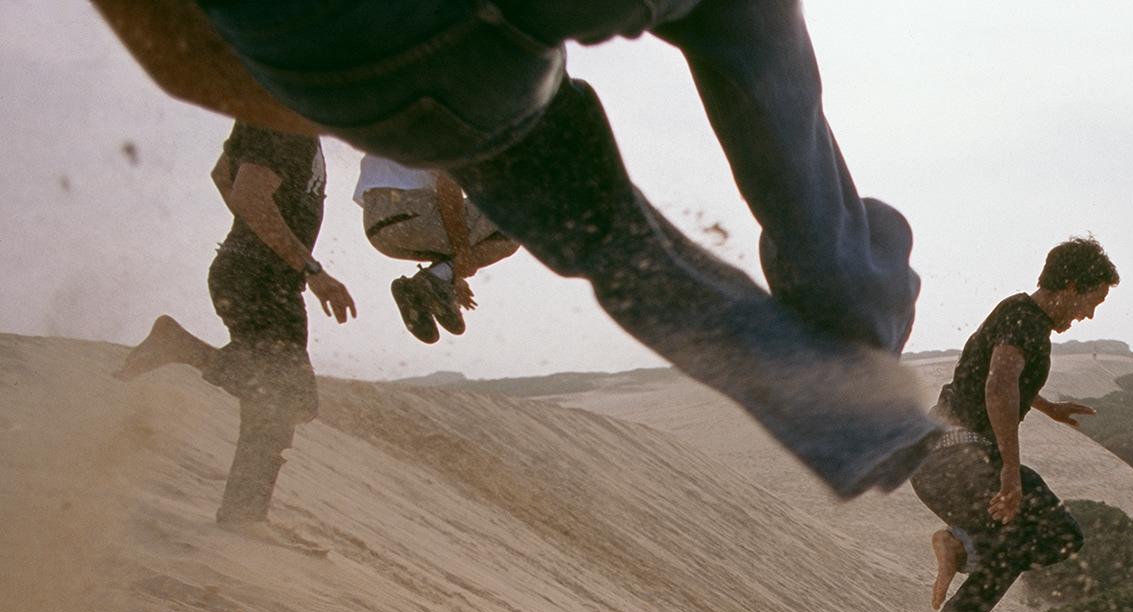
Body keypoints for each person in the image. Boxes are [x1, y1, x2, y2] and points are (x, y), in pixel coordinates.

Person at [92, 0, 938, 498]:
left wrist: (368, 101)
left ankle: (866, 424)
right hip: (327, 199)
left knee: (606, 240)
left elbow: (177, 63)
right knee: (744, 23)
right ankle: (851, 293)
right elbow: (241, 186)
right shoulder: (276, 166)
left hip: (335, 58)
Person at [116, 121, 355, 528]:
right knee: (290, 401)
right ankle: (180, 346)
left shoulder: (274, 117)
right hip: (262, 276)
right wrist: (312, 269)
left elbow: (222, 175)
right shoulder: (284, 121)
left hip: (259, 273)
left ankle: (243, 516)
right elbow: (246, 193)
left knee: (272, 405)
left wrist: (254, 227)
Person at [915, 237, 1119, 612]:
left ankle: (959, 560)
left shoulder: (1022, 317)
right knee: (1059, 534)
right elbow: (997, 386)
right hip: (958, 458)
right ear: (1069, 286)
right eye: (1091, 301)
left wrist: (1046, 406)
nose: (1088, 315)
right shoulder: (1024, 320)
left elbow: (999, 376)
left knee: (1030, 540)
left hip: (938, 462)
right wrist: (1008, 470)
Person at [355, 154, 520, 344]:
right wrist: (462, 254)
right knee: (516, 222)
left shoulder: (396, 127)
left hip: (378, 232)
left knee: (479, 231)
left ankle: (431, 283)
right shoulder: (449, 127)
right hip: (411, 214)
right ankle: (437, 277)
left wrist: (457, 274)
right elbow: (448, 185)